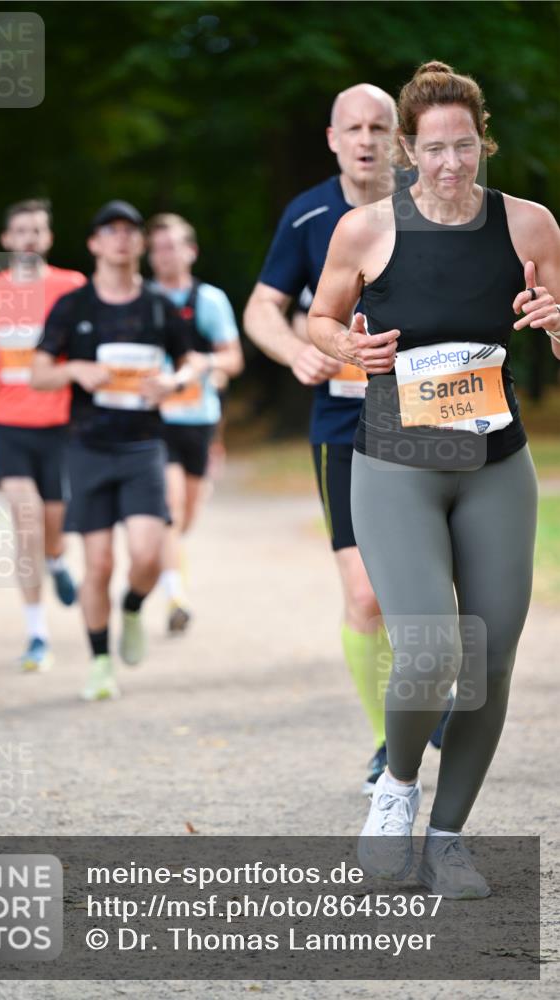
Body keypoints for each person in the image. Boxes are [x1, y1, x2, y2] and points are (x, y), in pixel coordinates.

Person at [308, 61, 560, 897]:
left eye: (463, 147)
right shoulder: (366, 230)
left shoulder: (527, 227)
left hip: (494, 466)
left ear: (482, 143)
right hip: (395, 465)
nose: (449, 165)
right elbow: (321, 319)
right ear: (407, 151)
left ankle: (446, 839)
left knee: (487, 662)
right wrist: (350, 347)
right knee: (424, 648)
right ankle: (397, 790)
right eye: (432, 150)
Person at [244, 83, 448, 794]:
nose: (364, 139)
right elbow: (263, 308)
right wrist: (290, 351)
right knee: (364, 596)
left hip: (435, 414)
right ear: (331, 138)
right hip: (344, 423)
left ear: (398, 137)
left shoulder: (438, 202)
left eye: (378, 126)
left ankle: (431, 693)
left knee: (433, 587)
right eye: (350, 127)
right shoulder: (306, 215)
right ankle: (388, 740)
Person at [31, 201, 200, 700]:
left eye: (130, 231)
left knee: (147, 556)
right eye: (111, 231)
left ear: (140, 244)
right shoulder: (74, 307)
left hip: (144, 445)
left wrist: (174, 380)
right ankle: (101, 660)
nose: (122, 239)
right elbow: (38, 372)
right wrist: (73, 371)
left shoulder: (155, 306)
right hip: (87, 447)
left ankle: (132, 606)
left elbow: (193, 361)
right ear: (94, 244)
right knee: (98, 563)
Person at [0, 199, 86, 670]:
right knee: (27, 521)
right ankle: (37, 635)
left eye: (37, 230)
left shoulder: (72, 286)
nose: (29, 238)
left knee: (54, 527)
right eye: (21, 231)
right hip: (8, 425)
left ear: (48, 239)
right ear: (6, 241)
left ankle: (56, 561)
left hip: (60, 426)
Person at [147, 213, 244, 633]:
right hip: (153, 421)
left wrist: (206, 363)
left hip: (199, 419)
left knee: (185, 516)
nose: (165, 255)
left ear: (191, 250)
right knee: (168, 507)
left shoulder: (209, 300)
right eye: (158, 248)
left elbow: (233, 358)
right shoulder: (141, 299)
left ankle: (162, 564)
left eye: (173, 245)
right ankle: (175, 598)